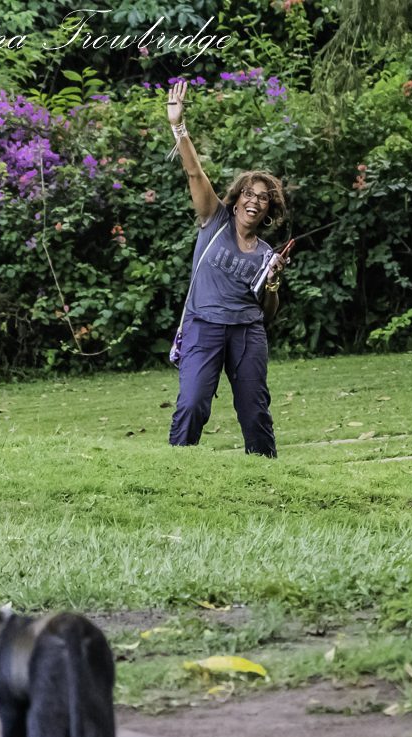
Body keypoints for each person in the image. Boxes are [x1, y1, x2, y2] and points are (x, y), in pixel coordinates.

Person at [166, 79, 288, 458]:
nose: (255, 201)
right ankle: (176, 468)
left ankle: (265, 474)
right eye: (249, 193)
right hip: (203, 326)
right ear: (237, 200)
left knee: (255, 411)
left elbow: (268, 313)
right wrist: (178, 126)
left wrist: (272, 283)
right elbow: (194, 173)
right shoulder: (214, 218)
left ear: (268, 211)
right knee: (192, 403)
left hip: (247, 333)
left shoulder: (266, 253)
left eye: (263, 198)